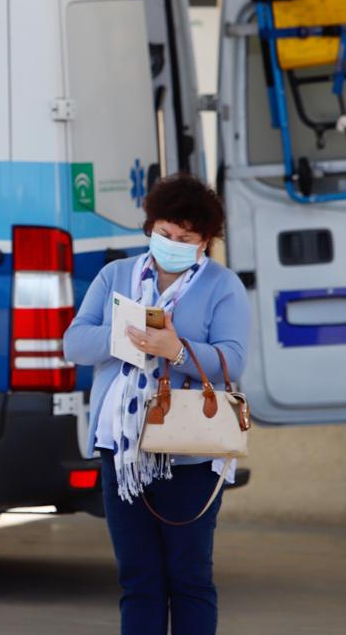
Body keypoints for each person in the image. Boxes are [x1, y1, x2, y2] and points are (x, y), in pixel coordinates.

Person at [63, 174, 251, 635]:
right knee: (139, 579)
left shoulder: (222, 286)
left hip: (190, 452)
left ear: (204, 241)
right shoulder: (115, 276)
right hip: (121, 451)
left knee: (189, 578)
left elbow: (234, 360)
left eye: (185, 238)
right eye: (165, 233)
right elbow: (73, 342)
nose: (172, 243)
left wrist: (177, 350)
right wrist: (123, 337)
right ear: (151, 225)